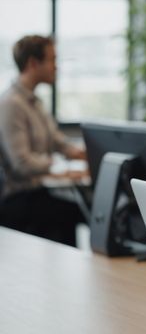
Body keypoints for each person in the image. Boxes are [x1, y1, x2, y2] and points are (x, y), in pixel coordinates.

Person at [0, 35, 88, 246]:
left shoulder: (35, 102)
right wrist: (60, 169)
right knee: (74, 211)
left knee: (82, 208)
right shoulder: (12, 104)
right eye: (52, 60)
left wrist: (88, 155)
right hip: (17, 198)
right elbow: (22, 164)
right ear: (33, 63)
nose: (56, 67)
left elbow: (59, 142)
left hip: (38, 192)